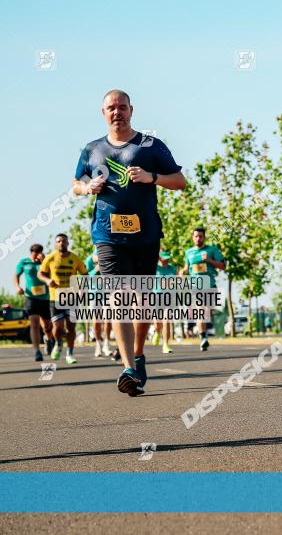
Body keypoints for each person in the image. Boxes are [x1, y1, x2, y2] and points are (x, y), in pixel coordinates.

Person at [71, 89, 186, 396]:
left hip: (146, 234)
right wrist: (87, 187)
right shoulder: (92, 149)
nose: (117, 112)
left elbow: (180, 181)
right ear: (103, 112)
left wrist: (152, 177)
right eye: (111, 107)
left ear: (131, 110)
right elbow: (75, 184)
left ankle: (138, 353)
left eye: (122, 107)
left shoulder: (150, 146)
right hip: (107, 235)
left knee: (143, 302)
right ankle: (128, 369)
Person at [37, 234, 87, 364]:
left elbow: (85, 275)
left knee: (71, 327)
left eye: (63, 241)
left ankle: (70, 353)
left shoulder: (75, 258)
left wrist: (82, 289)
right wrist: (47, 280)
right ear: (55, 244)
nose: (61, 243)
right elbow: (40, 274)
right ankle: (58, 343)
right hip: (56, 298)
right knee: (58, 327)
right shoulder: (50, 258)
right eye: (58, 241)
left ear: (68, 243)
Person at [182, 227, 225, 351]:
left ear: (204, 237)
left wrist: (208, 260)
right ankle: (203, 338)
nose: (198, 238)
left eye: (200, 236)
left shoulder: (212, 250)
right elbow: (187, 268)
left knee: (206, 311)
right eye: (196, 236)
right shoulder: (188, 252)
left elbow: (223, 266)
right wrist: (182, 272)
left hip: (210, 285)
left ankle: (203, 334)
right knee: (201, 311)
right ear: (193, 237)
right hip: (195, 286)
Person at [13, 244, 54, 361]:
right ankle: (37, 351)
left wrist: (44, 262)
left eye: (39, 252)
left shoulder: (45, 262)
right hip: (31, 297)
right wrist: (17, 287)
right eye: (35, 252)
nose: (37, 254)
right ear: (31, 252)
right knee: (34, 324)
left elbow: (52, 276)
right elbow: (16, 275)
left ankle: (48, 339)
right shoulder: (24, 262)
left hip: (45, 298)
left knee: (47, 326)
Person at [84, 250, 114, 358]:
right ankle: (98, 344)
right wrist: (95, 270)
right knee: (97, 321)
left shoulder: (109, 256)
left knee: (108, 319)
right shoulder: (88, 260)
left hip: (108, 292)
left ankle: (106, 344)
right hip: (94, 293)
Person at [153, 250, 176, 354]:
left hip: (168, 297)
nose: (167, 260)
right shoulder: (154, 268)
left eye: (168, 258)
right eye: (164, 258)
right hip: (156, 297)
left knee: (166, 320)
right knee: (158, 322)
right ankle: (157, 331)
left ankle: (166, 344)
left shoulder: (172, 268)